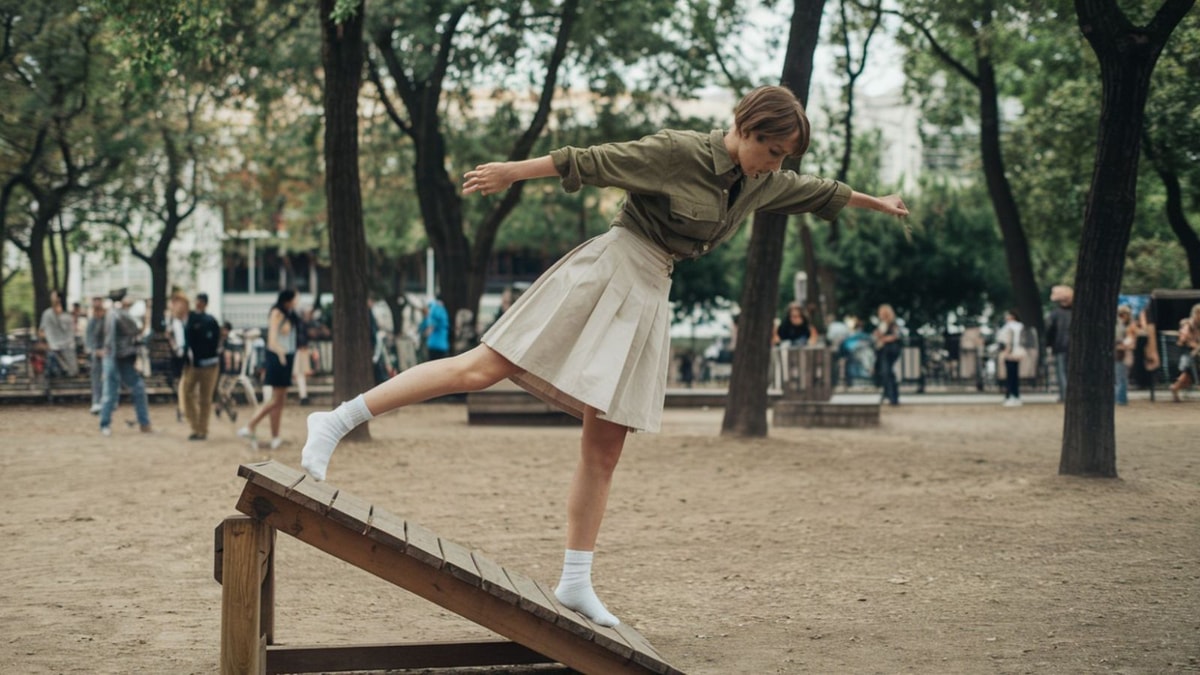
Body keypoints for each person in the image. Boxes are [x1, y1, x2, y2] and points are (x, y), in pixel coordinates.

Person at [299, 85, 909, 627]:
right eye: (773, 151)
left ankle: (574, 580)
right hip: (611, 267)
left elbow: (814, 191)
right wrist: (514, 171)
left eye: (783, 159)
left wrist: (876, 201)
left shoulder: (760, 183)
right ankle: (338, 419)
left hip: (651, 291)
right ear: (749, 130)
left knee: (606, 447)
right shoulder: (681, 152)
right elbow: (591, 161)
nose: (777, 165)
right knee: (485, 367)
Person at [239, 289, 299, 449]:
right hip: (279, 358)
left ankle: (275, 436)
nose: (298, 300)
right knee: (275, 400)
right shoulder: (277, 313)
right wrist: (280, 356)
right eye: (296, 297)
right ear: (288, 299)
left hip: (287, 357)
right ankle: (250, 426)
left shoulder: (289, 314)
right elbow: (272, 340)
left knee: (280, 401)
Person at [98, 289, 152, 436]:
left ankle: (143, 423)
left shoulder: (114, 313)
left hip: (120, 356)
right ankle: (106, 423)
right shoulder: (119, 314)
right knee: (112, 391)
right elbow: (135, 330)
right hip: (115, 356)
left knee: (118, 390)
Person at [180, 292, 222, 440]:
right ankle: (197, 426)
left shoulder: (209, 321)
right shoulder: (191, 319)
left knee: (204, 398)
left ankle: (201, 429)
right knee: (188, 393)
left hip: (207, 363)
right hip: (195, 364)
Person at [39, 289, 79, 377]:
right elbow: (41, 331)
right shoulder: (47, 314)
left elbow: (71, 332)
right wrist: (48, 342)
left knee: (71, 372)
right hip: (54, 349)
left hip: (67, 349)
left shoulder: (67, 316)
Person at [1044, 285, 1072, 402]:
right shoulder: (1077, 313)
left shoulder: (1055, 314)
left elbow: (1049, 330)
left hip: (1059, 345)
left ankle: (1064, 395)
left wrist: (1048, 344)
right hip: (1073, 346)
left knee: (1061, 371)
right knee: (1071, 371)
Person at [1168, 303, 1200, 402]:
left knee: (1188, 376)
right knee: (1190, 370)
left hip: (1194, 355)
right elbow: (1184, 339)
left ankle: (1175, 388)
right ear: (1195, 314)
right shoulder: (1187, 324)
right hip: (1186, 354)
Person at [872, 304, 902, 406]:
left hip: (889, 350)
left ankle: (891, 395)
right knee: (887, 372)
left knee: (886, 372)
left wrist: (882, 338)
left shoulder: (892, 324)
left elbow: (895, 336)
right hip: (884, 351)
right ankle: (890, 394)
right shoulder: (883, 324)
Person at [998, 309, 1026, 407]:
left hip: (1009, 352)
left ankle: (1010, 395)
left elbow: (1003, 340)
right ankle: (1015, 395)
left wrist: (1005, 350)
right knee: (1014, 375)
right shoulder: (1021, 326)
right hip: (1017, 352)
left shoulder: (1008, 327)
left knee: (1010, 376)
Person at [84, 296, 107, 414]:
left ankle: (106, 401)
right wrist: (95, 351)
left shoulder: (108, 321)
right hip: (97, 355)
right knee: (96, 372)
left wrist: (106, 350)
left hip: (109, 353)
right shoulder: (92, 322)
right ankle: (96, 401)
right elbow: (88, 342)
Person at [1114, 305, 1136, 406]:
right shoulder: (1121, 326)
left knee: (1121, 377)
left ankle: (1120, 398)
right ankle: (1120, 398)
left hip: (1122, 353)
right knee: (1121, 377)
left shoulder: (1126, 326)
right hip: (1120, 353)